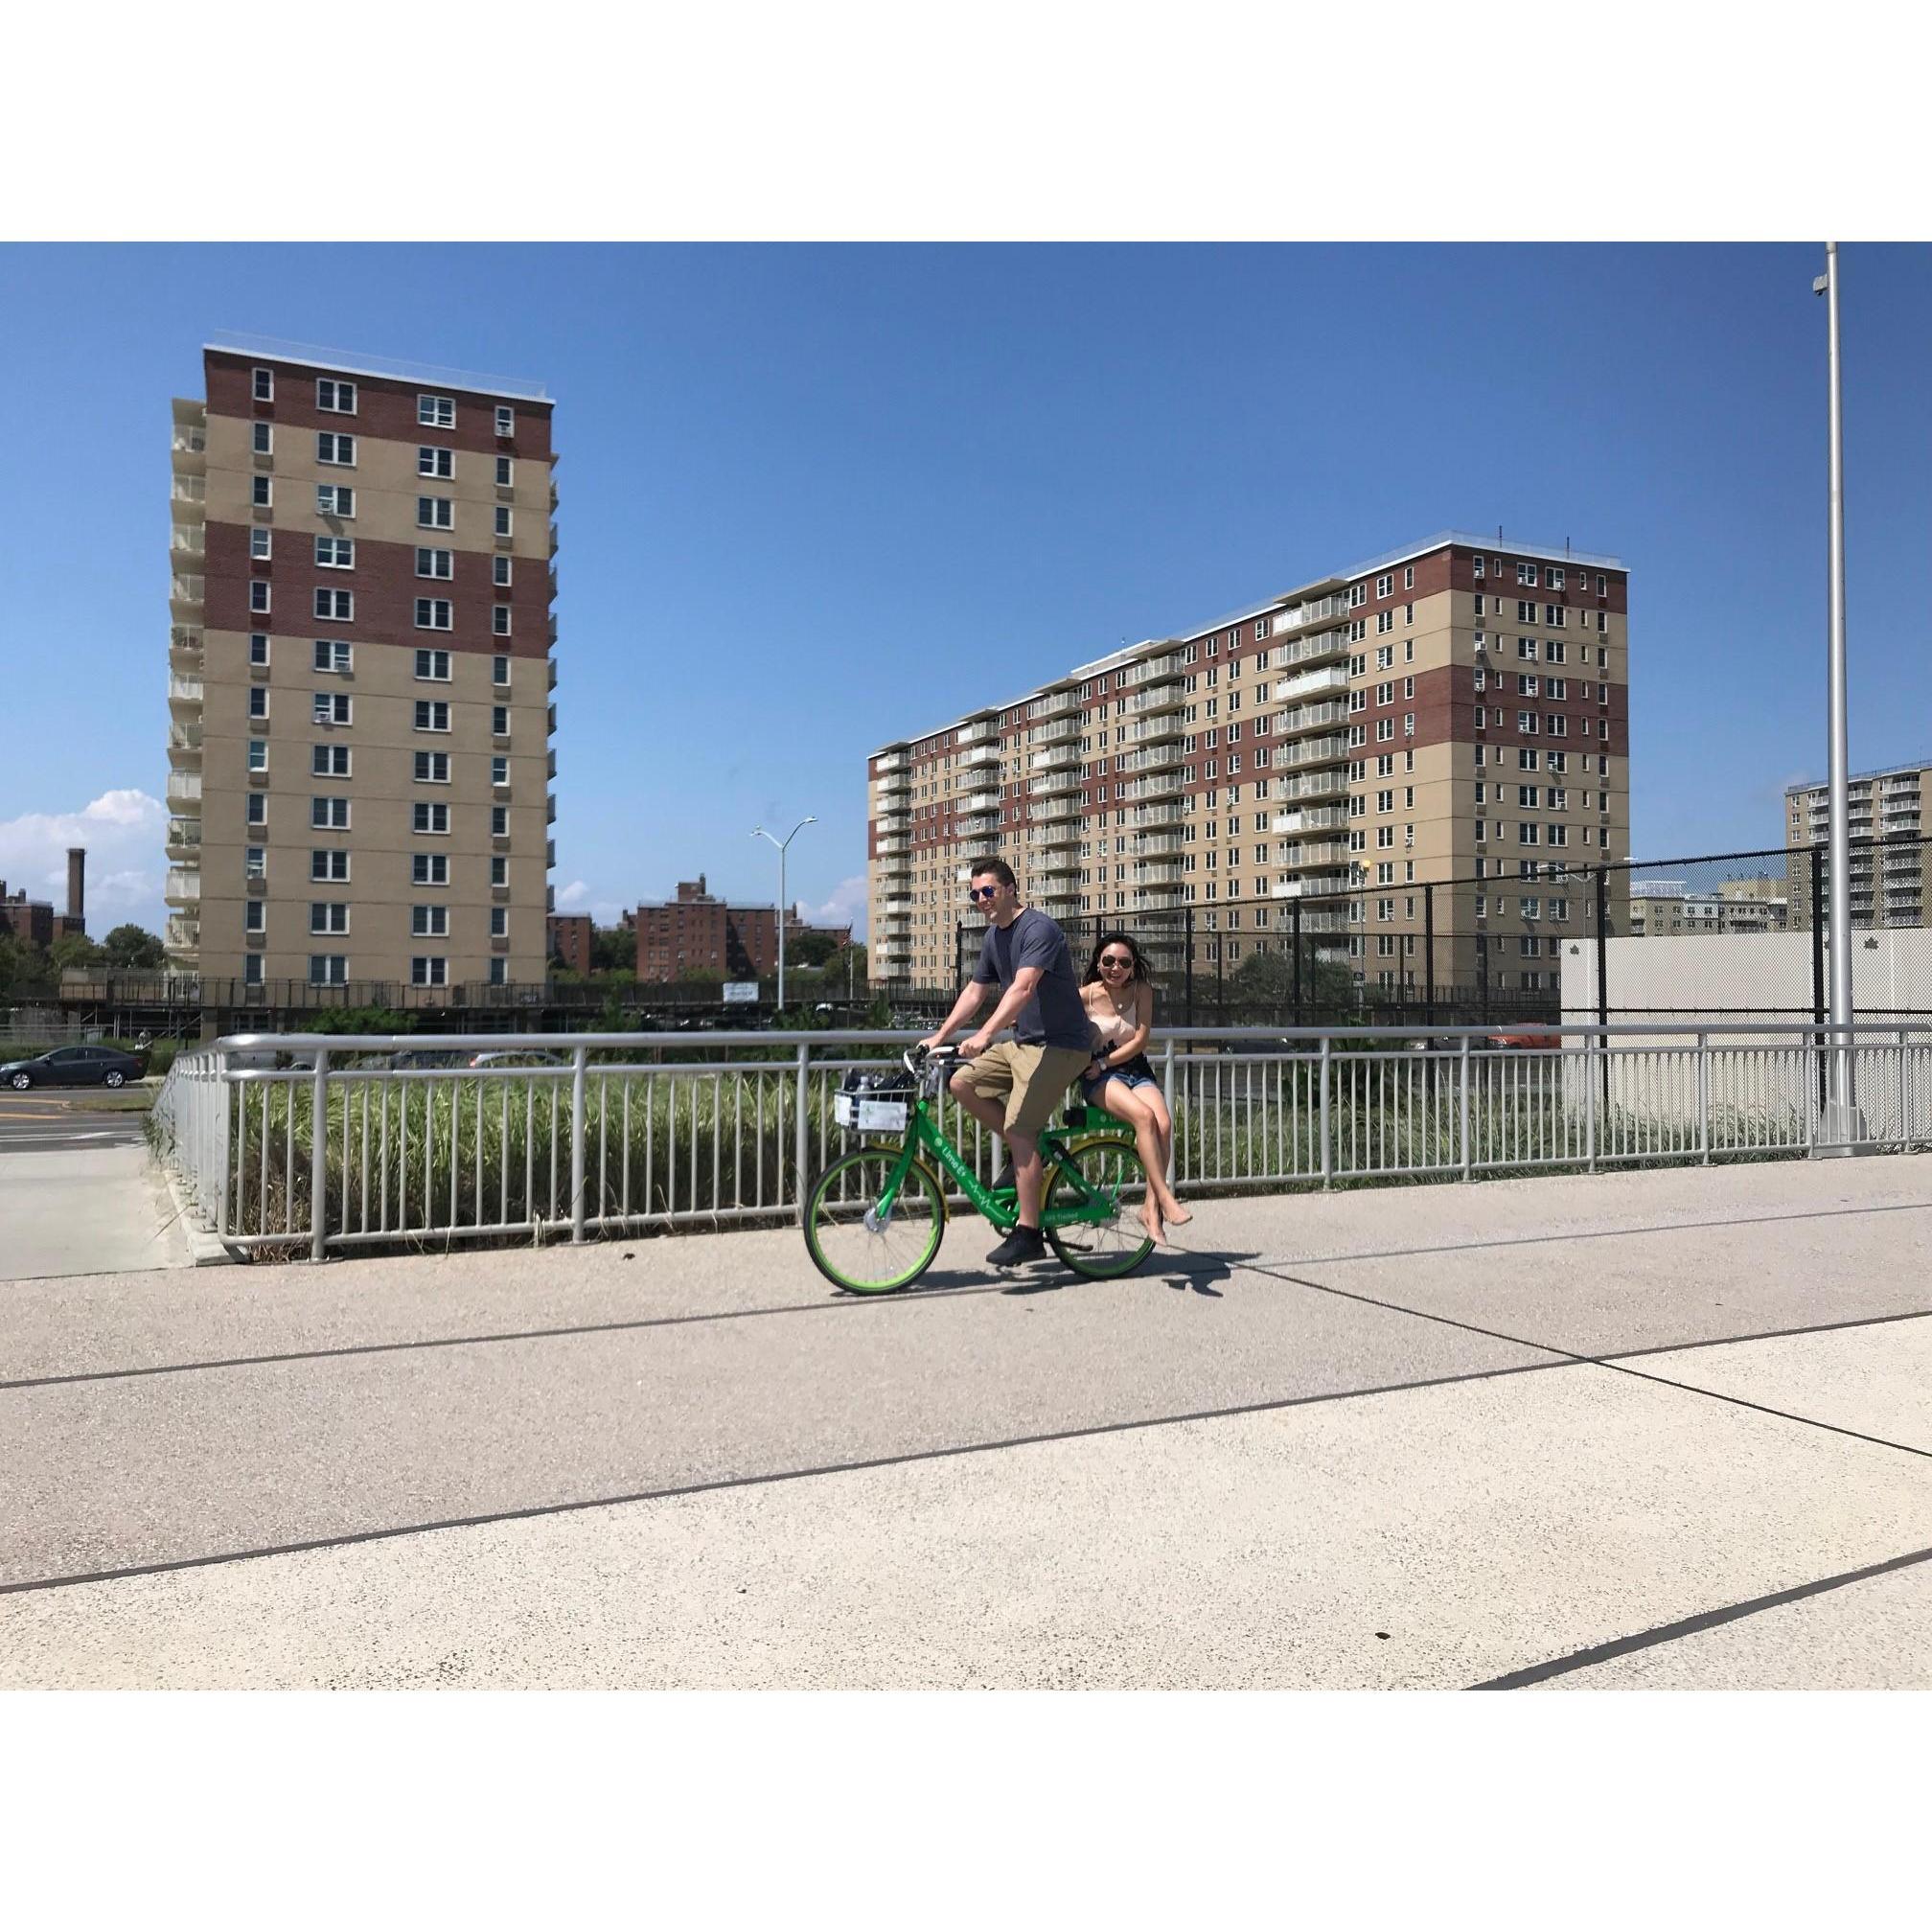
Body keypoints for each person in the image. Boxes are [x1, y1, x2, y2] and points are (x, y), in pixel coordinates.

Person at [919, 858, 1094, 1269]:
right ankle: (1031, 1156)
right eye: (975, 893)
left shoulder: (1039, 929)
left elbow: (1024, 988)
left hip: (1062, 1046)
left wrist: (984, 1036)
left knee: (1018, 1128)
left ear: (1011, 888)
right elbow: (975, 992)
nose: (981, 900)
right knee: (962, 1084)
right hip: (1024, 1044)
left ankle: (1030, 1234)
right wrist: (941, 1036)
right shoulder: (993, 939)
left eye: (988, 891)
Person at [1077, 932, 1189, 1242]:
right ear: (1098, 963)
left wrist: (1108, 1062)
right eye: (1109, 961)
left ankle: (1150, 1208)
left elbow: (1140, 1039)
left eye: (1124, 962)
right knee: (1144, 1117)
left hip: (1134, 1069)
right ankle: (1166, 1198)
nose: (1117, 968)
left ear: (1133, 966)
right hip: (1097, 1075)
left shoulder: (1142, 990)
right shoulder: (1083, 996)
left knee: (1164, 1124)